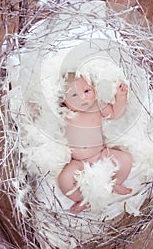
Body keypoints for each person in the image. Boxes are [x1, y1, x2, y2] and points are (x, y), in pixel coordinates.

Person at [58, 73, 133, 213]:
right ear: (64, 101)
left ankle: (115, 184)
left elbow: (114, 113)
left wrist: (120, 97)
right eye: (74, 95)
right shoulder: (65, 114)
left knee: (125, 159)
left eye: (87, 91)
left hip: (100, 154)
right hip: (78, 161)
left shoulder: (97, 106)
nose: (83, 97)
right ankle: (83, 199)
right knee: (65, 179)